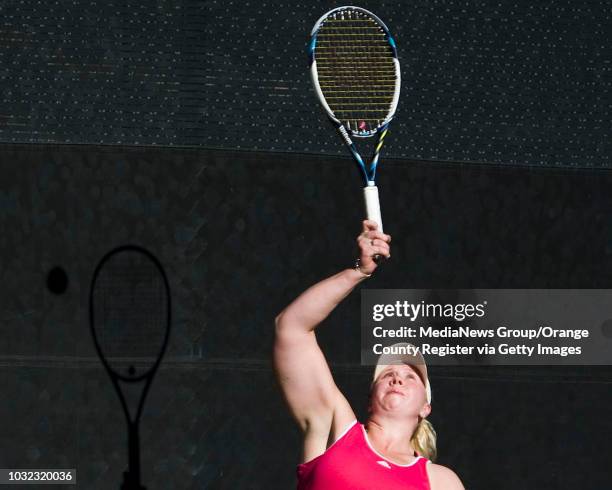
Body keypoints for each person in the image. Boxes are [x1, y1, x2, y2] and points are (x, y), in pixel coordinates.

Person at [274, 220, 465, 489]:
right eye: (388, 374)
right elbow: (291, 328)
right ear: (370, 401)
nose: (397, 379)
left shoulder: (441, 481)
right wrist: (358, 271)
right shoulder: (334, 427)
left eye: (411, 377)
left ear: (426, 408)